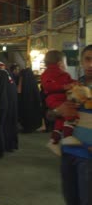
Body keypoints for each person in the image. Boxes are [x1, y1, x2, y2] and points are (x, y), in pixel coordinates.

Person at [52, 45, 92, 205]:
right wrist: (58, 110)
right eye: (88, 59)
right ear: (81, 61)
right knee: (71, 200)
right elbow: (51, 115)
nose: (91, 64)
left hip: (88, 157)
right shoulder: (74, 85)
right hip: (68, 152)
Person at [41, 50, 79, 155]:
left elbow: (70, 81)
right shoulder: (55, 74)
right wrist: (65, 86)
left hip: (58, 99)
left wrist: (75, 84)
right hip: (56, 99)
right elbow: (48, 86)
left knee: (60, 120)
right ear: (60, 63)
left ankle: (54, 140)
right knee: (70, 115)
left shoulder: (57, 74)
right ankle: (67, 136)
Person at [18, 68, 43, 133]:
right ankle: (33, 127)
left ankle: (26, 127)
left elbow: (19, 91)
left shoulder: (23, 81)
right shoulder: (33, 81)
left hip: (25, 102)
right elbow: (37, 93)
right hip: (33, 102)